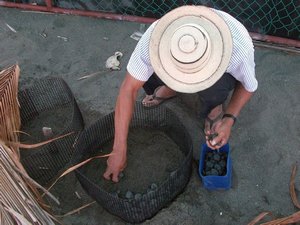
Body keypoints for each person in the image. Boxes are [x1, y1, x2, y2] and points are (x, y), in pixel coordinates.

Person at [103, 5, 257, 182]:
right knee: (146, 76)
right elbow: (128, 89)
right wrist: (119, 147)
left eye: (187, 77)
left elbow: (248, 86)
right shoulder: (155, 38)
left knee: (214, 90)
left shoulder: (237, 49)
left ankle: (214, 109)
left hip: (222, 74)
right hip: (164, 57)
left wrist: (229, 119)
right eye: (178, 75)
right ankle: (171, 88)